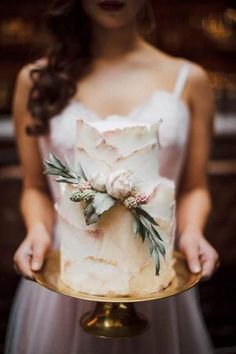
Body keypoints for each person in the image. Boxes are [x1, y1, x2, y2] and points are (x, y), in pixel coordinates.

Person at [5, 0, 219, 353]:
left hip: (154, 268)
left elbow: (196, 186)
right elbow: (34, 188)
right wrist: (38, 231)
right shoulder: (36, 80)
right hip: (68, 268)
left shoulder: (189, 79)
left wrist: (193, 232)